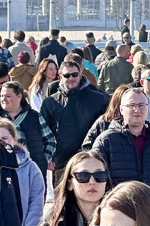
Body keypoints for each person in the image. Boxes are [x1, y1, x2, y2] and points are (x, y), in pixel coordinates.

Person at [41, 54, 110, 183]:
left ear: (80, 74)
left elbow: (105, 125)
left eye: (74, 75)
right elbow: (45, 132)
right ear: (60, 76)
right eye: (67, 75)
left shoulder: (98, 99)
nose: (71, 78)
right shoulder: (50, 102)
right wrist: (48, 156)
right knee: (61, 197)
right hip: (61, 160)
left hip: (90, 158)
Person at [91, 87, 150, 188]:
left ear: (147, 108)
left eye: (141, 105)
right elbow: (96, 177)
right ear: (121, 109)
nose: (137, 110)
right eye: (131, 105)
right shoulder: (106, 141)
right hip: (117, 202)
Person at [0, 118, 45, 226]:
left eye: (4, 138)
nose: (0, 143)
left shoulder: (30, 167)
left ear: (14, 140)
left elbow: (36, 200)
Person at [0, 80, 56, 172]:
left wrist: (43, 160)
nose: (3, 99)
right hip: (2, 170)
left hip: (33, 171)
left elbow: (50, 140)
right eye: (2, 96)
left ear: (19, 96)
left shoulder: (34, 116)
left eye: (8, 96)